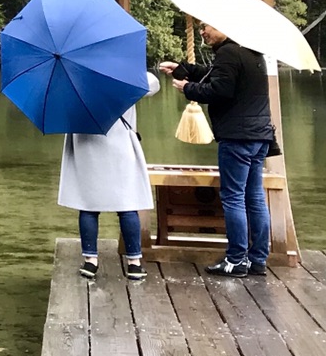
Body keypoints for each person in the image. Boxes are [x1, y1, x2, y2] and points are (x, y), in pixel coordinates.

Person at [161, 23, 274, 277]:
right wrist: (182, 69)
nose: (202, 32)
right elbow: (215, 74)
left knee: (233, 197)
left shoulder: (229, 52)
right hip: (259, 135)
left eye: (206, 27)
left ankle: (235, 259)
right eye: (200, 27)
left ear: (225, 26)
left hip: (237, 137)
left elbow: (220, 90)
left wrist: (187, 88)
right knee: (254, 196)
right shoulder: (251, 50)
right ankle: (257, 259)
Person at [60, 72, 158, 282]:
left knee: (88, 205)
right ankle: (134, 264)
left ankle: (90, 261)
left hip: (86, 145)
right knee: (127, 203)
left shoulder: (73, 79)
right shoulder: (122, 78)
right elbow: (153, 84)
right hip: (120, 145)